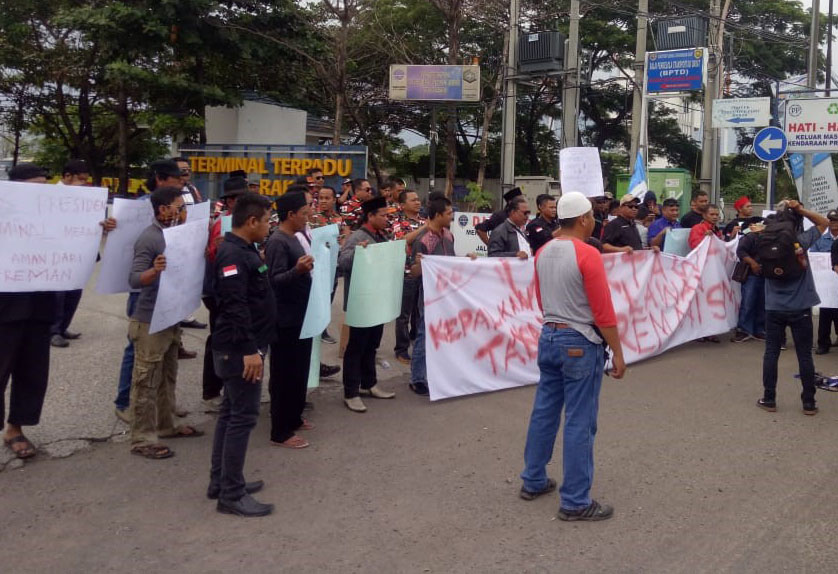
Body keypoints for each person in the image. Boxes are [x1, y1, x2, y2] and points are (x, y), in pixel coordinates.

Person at [519, 191, 626, 522]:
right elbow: (603, 312)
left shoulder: (544, 252)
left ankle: (533, 479)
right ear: (583, 219)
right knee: (580, 420)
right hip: (580, 340)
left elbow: (540, 298)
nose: (594, 219)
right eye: (592, 215)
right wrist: (619, 354)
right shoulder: (587, 253)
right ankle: (576, 500)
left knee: (545, 411)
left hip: (549, 334)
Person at [207, 192, 275, 517]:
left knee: (229, 413)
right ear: (251, 222)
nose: (268, 227)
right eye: (266, 221)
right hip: (238, 350)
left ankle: (221, 481)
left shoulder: (244, 249)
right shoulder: (232, 255)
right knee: (242, 418)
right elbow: (234, 306)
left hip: (239, 346)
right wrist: (250, 350)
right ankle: (231, 494)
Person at [127, 185, 203, 459]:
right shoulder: (150, 238)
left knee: (168, 376)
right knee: (145, 381)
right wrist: (154, 270)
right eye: (179, 206)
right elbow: (134, 279)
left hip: (171, 316)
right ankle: (142, 439)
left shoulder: (177, 234)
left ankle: (167, 424)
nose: (182, 211)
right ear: (163, 210)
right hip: (149, 321)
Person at [1, 163, 56, 459]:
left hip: (39, 308)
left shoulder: (57, 218)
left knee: (32, 373)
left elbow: (84, 254)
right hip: (4, 309)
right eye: (36, 185)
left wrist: (95, 230)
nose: (42, 192)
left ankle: (16, 428)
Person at [758, 201, 828, 416]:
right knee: (804, 355)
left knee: (771, 353)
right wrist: (800, 210)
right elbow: (824, 222)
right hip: (800, 307)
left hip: (773, 307)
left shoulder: (763, 238)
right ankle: (809, 403)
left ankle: (769, 399)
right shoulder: (800, 241)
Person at [265, 191, 316, 449]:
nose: (307, 218)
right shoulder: (277, 242)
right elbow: (273, 281)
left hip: (300, 316)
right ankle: (280, 430)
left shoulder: (295, 237)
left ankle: (294, 417)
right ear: (290, 215)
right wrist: (298, 271)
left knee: (299, 371)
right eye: (303, 214)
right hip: (284, 319)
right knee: (284, 375)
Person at [338, 196, 397, 413]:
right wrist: (358, 253)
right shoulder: (358, 236)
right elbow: (342, 262)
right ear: (370, 216)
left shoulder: (382, 235)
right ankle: (351, 392)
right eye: (382, 215)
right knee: (356, 347)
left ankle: (369, 383)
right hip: (361, 301)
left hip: (377, 300)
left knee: (372, 344)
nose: (386, 219)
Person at [200, 176, 250, 413]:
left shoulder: (244, 222)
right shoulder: (223, 223)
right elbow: (210, 255)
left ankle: (227, 386)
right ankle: (211, 390)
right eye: (238, 198)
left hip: (235, 287)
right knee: (219, 339)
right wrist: (217, 248)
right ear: (229, 201)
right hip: (219, 290)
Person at [146, 159, 206, 341]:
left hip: (175, 272)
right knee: (143, 342)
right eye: (177, 177)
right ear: (160, 179)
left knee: (170, 328)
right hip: (151, 281)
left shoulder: (187, 197)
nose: (182, 180)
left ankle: (175, 345)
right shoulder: (143, 206)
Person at [407, 193, 457, 395]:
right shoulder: (423, 240)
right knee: (425, 333)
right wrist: (419, 264)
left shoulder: (448, 236)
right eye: (448, 213)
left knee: (444, 332)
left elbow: (452, 261)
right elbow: (413, 272)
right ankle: (417, 378)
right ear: (437, 215)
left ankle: (438, 372)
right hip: (429, 295)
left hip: (448, 294)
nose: (452, 216)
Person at [49, 161, 93, 348]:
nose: (83, 183)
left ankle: (64, 326)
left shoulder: (84, 197)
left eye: (85, 179)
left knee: (74, 291)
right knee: (58, 295)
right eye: (80, 179)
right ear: (67, 176)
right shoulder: (51, 195)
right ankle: (53, 331)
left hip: (77, 252)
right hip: (56, 254)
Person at [392, 189, 427, 364]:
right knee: (403, 316)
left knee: (419, 314)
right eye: (413, 200)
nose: (418, 203)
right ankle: (401, 350)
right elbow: (403, 240)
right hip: (405, 274)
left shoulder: (423, 221)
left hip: (423, 274)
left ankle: (417, 345)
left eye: (418, 199)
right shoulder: (398, 222)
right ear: (403, 205)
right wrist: (425, 227)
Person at [811, 210, 838, 354]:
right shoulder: (820, 239)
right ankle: (823, 343)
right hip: (826, 284)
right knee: (825, 313)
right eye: (831, 221)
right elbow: (813, 257)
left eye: (836, 221)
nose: (833, 223)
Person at [733, 224, 767, 343]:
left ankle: (759, 330)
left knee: (762, 303)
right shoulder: (750, 237)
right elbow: (740, 251)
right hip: (751, 275)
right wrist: (753, 263)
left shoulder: (772, 237)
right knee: (748, 302)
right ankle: (743, 330)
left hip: (766, 274)